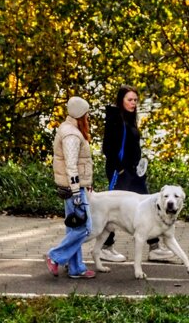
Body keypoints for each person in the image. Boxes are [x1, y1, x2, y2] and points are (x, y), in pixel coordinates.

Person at [98, 85, 175, 263]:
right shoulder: (116, 119)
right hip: (121, 173)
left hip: (135, 173)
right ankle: (105, 247)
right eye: (129, 100)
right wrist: (121, 169)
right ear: (121, 101)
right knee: (113, 209)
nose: (133, 103)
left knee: (149, 205)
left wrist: (139, 165)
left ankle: (154, 247)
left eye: (135, 100)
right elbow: (108, 148)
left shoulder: (130, 119)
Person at [44, 95, 95, 279]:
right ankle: (54, 256)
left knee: (75, 228)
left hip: (72, 186)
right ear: (80, 115)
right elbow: (71, 166)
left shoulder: (68, 128)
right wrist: (77, 192)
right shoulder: (72, 135)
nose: (88, 117)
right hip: (73, 188)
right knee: (84, 228)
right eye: (87, 114)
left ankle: (76, 268)